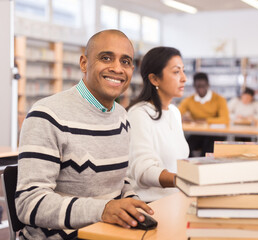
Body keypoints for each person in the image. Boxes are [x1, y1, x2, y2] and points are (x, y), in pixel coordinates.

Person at [15, 29, 153, 239]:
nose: (117, 68)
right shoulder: (47, 114)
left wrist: (133, 206)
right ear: (83, 63)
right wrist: (103, 210)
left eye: (125, 61)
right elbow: (29, 203)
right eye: (106, 58)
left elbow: (118, 182)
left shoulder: (122, 117)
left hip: (108, 233)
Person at [127, 47, 189, 202]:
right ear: (154, 79)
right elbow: (144, 171)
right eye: (176, 72)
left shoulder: (174, 112)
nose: (184, 78)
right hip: (151, 205)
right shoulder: (139, 114)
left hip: (176, 199)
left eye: (183, 71)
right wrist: (184, 180)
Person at [178, 72, 229, 156]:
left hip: (215, 133)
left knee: (207, 149)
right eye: (198, 86)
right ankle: (190, 167)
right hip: (198, 133)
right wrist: (182, 118)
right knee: (185, 148)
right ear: (194, 86)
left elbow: (225, 120)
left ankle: (204, 168)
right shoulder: (189, 100)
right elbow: (177, 113)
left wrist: (205, 121)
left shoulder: (219, 99)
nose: (201, 89)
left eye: (203, 86)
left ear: (208, 85)